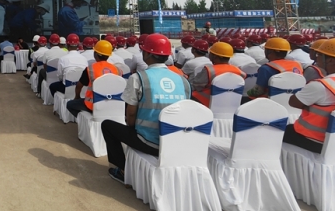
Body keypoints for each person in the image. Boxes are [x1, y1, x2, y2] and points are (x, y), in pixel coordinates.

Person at [102, 34, 191, 183]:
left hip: (149, 142)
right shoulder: (183, 80)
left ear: (148, 54)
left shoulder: (138, 78)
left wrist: (131, 129)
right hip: (175, 139)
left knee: (107, 126)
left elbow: (131, 114)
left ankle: (123, 170)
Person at [284, 38, 335, 153]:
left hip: (316, 140)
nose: (317, 58)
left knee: (277, 132)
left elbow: (293, 102)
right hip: (331, 142)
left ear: (330, 60)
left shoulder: (320, 85)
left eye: (319, 55)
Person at [66, 40, 121, 118]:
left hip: (93, 105)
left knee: (70, 104)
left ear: (95, 54)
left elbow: (78, 86)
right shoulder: (117, 70)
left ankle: (84, 120)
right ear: (108, 56)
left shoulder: (90, 69)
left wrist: (77, 97)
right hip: (113, 104)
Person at [191, 42, 247, 106]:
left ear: (214, 56)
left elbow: (197, 86)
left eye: (210, 53)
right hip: (231, 102)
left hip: (207, 102)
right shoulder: (240, 72)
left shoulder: (209, 70)